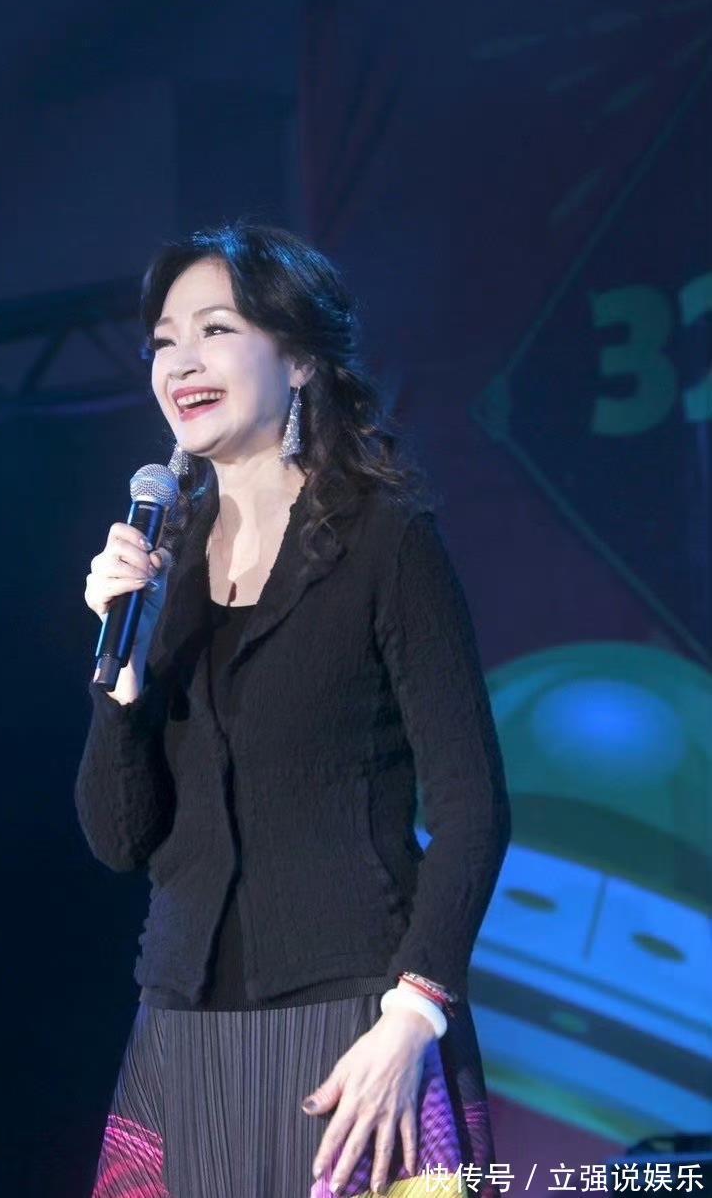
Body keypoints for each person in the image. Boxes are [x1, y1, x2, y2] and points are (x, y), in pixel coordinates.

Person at [75, 220, 511, 1198]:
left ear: (302, 360)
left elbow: (474, 806)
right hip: (184, 1027)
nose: (182, 361)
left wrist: (415, 1015)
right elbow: (119, 838)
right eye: (164, 341)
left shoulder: (385, 540)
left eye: (216, 330)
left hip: (360, 1023)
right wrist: (122, 680)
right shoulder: (163, 570)